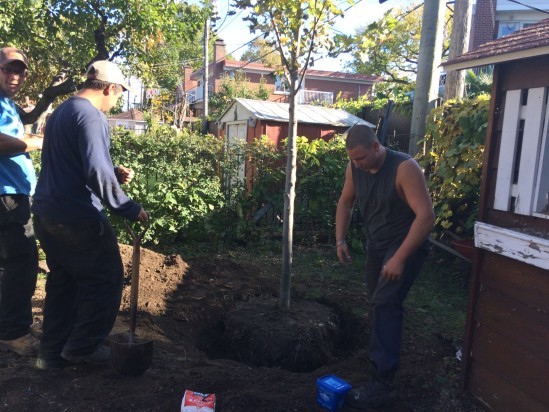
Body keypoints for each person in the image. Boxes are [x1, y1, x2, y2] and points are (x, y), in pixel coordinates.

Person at [32, 60, 149, 370]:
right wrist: (127, 206)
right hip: (76, 216)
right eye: (118, 95)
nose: (115, 103)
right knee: (106, 279)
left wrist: (112, 173)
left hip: (46, 213)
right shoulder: (92, 116)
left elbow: (73, 163)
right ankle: (83, 347)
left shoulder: (62, 112)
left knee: (64, 282)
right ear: (109, 88)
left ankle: (50, 354)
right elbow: (95, 170)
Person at [335, 124, 435, 409]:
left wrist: (400, 257)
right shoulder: (355, 168)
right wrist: (340, 240)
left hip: (406, 244)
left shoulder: (404, 168)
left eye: (361, 158)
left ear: (376, 147)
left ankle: (383, 384)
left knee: (386, 303)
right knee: (379, 302)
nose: (357, 164)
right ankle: (379, 365)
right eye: (353, 159)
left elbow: (426, 217)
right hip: (378, 246)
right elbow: (345, 202)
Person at [0, 47, 43, 356]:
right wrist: (36, 142)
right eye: (8, 70)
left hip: (13, 192)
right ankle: (14, 333)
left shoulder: (8, 105)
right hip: (7, 196)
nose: (15, 76)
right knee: (22, 263)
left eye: (20, 71)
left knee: (10, 264)